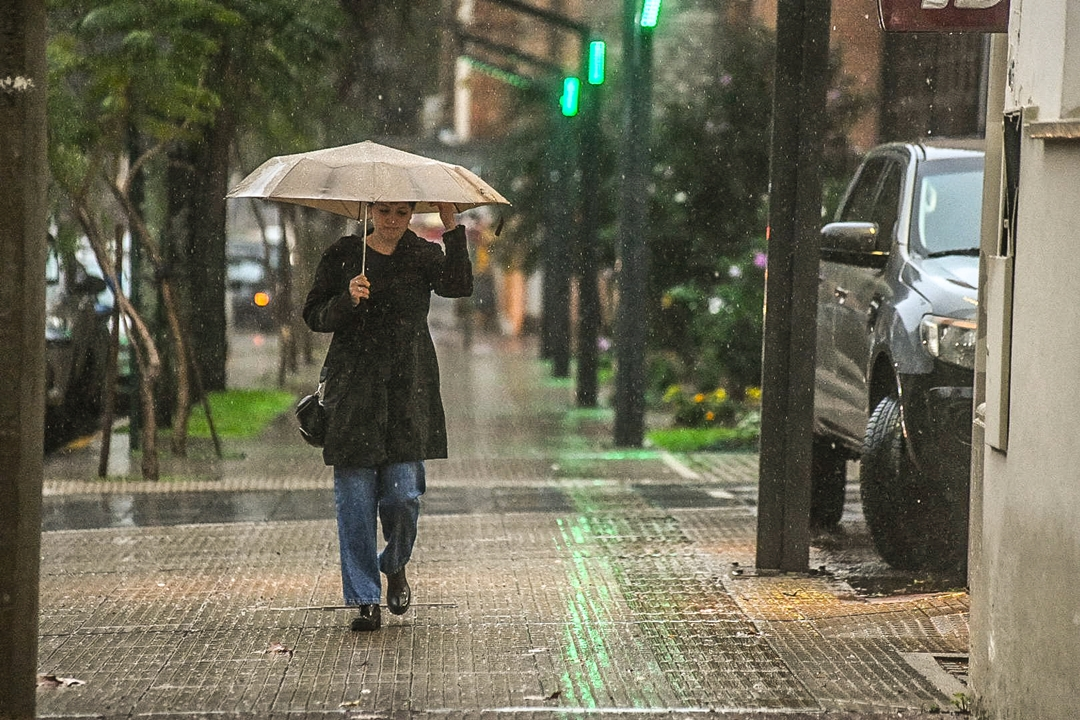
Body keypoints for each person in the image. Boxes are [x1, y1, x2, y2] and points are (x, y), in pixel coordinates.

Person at [302, 201, 472, 631]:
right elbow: (314, 315)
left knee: (403, 496)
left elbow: (458, 286)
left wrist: (453, 229)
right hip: (353, 389)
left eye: (400, 211)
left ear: (412, 213)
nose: (392, 220)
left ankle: (394, 564)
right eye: (384, 211)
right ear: (370, 211)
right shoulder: (344, 254)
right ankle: (364, 598)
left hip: (407, 389)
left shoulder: (422, 255)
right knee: (355, 501)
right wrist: (346, 300)